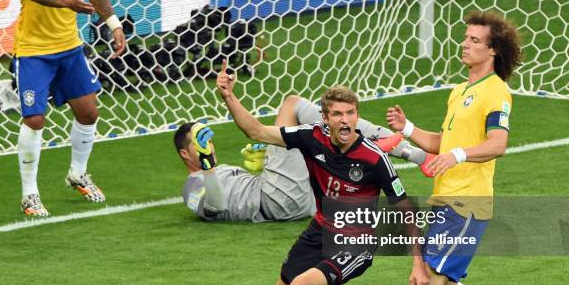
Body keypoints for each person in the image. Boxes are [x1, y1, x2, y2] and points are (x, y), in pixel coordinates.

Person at [205, 61, 428, 285]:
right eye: (337, 114)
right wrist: (228, 96)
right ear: (326, 119)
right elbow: (256, 131)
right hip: (320, 230)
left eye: (351, 113)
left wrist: (417, 262)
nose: (345, 120)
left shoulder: (373, 158)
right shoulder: (312, 137)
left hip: (355, 243)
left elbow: (405, 207)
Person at [386, 11, 527, 285]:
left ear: (493, 50)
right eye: (465, 38)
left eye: (475, 40)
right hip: (447, 199)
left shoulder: (496, 91)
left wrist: (459, 156)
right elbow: (443, 146)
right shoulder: (459, 92)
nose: (464, 44)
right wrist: (409, 129)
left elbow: (497, 144)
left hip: (468, 202)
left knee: (430, 279)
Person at [14, 0, 126, 217]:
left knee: (89, 112)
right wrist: (67, 2)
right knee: (34, 119)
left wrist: (113, 23)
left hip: (69, 49)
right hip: (34, 51)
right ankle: (29, 194)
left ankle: (77, 173)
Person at [175, 96, 434, 223]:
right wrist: (208, 166)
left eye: (207, 140)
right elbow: (216, 206)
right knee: (293, 107)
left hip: (303, 201)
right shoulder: (192, 188)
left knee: (315, 144)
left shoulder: (221, 169)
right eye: (199, 144)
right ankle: (399, 149)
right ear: (185, 154)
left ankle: (357, 144)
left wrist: (266, 158)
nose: (208, 147)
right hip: (274, 200)